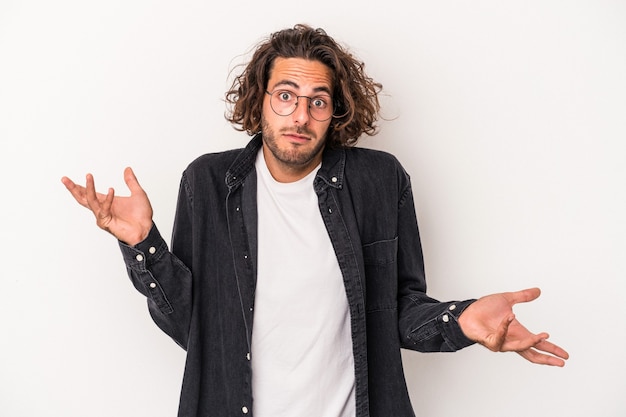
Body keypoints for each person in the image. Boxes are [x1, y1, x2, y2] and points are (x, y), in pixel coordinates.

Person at [61, 24, 569, 417]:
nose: (299, 117)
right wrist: (142, 244)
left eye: (317, 102)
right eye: (285, 96)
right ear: (259, 101)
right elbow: (193, 327)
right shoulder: (208, 184)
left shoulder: (379, 182)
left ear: (336, 112)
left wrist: (460, 319)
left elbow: (399, 310)